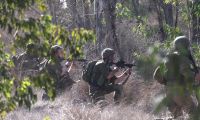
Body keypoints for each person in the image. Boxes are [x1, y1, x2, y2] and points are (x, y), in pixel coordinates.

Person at [154, 36, 200, 118]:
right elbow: (186, 72)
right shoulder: (183, 58)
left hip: (168, 92)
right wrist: (195, 76)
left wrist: (167, 82)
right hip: (180, 91)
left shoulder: (167, 58)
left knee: (177, 117)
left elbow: (156, 75)